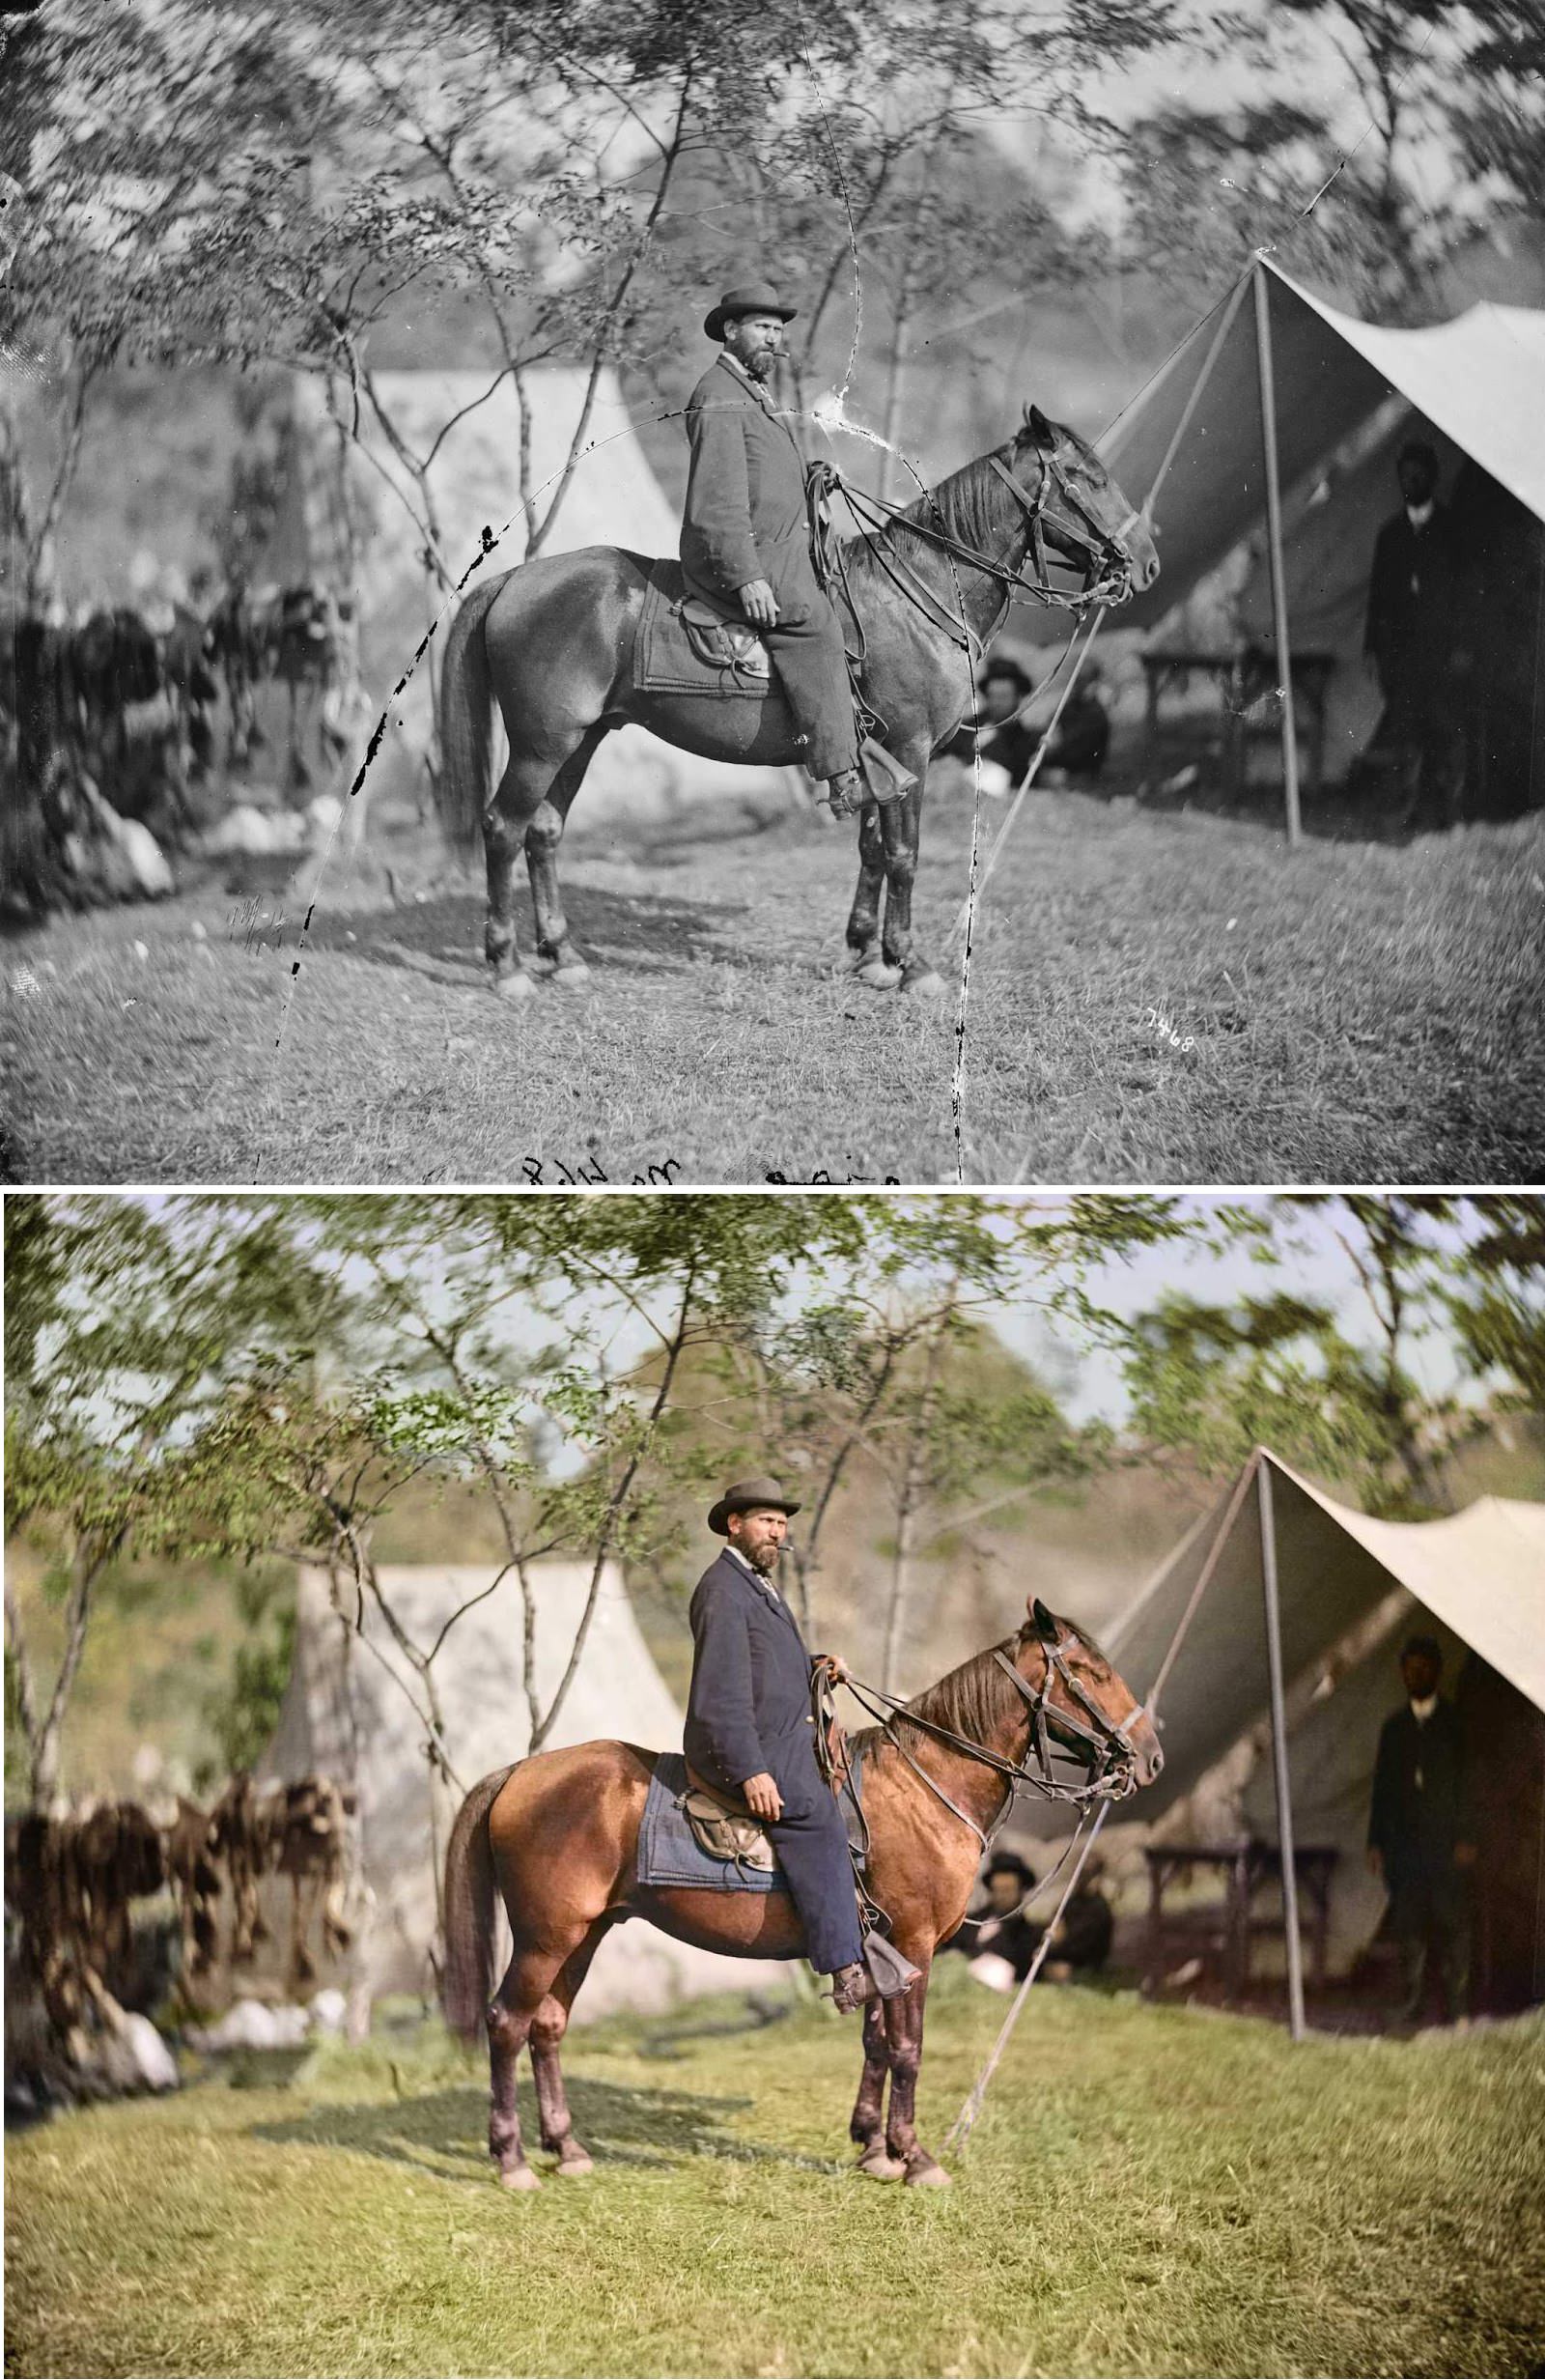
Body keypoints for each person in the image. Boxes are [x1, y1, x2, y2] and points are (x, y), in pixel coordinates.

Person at [684, 1477, 873, 2013]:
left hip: (779, 1732)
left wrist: (816, 1666)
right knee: (813, 1811)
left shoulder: (755, 1584)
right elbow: (721, 1695)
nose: (777, 1532)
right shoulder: (722, 1589)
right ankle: (844, 1965)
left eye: (782, 1523)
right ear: (734, 1524)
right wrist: (751, 1771)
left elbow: (765, 1664)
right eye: (767, 1521)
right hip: (739, 1743)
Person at [681, 284, 867, 817]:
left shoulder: (751, 391)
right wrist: (747, 578)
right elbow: (717, 503)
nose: (773, 338)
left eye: (778, 330)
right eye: (762, 327)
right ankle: (840, 773)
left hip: (782, 546)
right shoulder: (718, 392)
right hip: (742, 557)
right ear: (731, 330)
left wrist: (809, 478)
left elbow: (762, 475)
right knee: (812, 621)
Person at [1366, 1632, 1475, 2026]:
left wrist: (1467, 1839)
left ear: (1437, 1671)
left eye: (1424, 1668)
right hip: (1405, 1849)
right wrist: (1376, 1842)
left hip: (1446, 1845)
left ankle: (1457, 2007)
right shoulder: (1393, 1729)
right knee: (1409, 1928)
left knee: (1452, 1924)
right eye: (1410, 1669)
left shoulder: (1454, 1725)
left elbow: (1468, 1788)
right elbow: (1381, 1790)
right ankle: (1412, 2003)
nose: (1417, 1675)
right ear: (1402, 1674)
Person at [1362, 439, 1464, 822]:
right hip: (1400, 653)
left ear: (1433, 479)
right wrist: (1372, 648)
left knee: (1444, 728)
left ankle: (1446, 808)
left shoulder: (1452, 531)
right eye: (1405, 475)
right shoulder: (1390, 535)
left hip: (1441, 649)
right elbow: (1377, 596)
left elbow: (1464, 593)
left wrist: (1462, 646)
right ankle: (1405, 808)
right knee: (1404, 732)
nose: (1411, 481)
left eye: (1418, 475)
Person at [944, 656, 1038, 785]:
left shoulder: (1024, 740)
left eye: (1003, 697)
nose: (996, 702)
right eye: (992, 696)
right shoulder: (965, 726)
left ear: (1018, 698)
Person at [1043, 664, 1111, 783]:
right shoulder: (1071, 704)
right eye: (1078, 681)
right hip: (1063, 763)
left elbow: (1078, 748)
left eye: (1085, 681)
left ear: (1094, 683)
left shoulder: (1096, 714)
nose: (1080, 686)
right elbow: (1053, 722)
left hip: (1081, 772)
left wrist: (1054, 751)